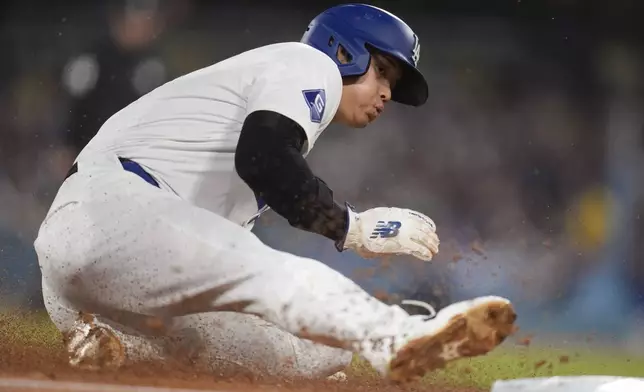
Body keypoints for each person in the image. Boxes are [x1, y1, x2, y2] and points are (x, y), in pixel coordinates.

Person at [34, 3, 516, 383]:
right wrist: (354, 227)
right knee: (272, 273)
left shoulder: (282, 103)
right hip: (112, 211)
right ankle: (396, 336)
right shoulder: (308, 62)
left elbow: (260, 168)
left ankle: (112, 349)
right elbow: (264, 159)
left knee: (314, 355)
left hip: (97, 274)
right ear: (345, 52)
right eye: (384, 71)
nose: (387, 92)